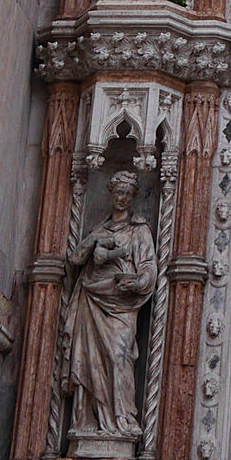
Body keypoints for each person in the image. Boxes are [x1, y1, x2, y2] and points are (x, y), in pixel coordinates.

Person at [65, 171, 157, 442]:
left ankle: (123, 418)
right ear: (110, 193)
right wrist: (94, 240)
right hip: (92, 298)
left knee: (119, 356)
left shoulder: (139, 231)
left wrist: (137, 281)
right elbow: (75, 259)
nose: (121, 197)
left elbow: (149, 267)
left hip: (122, 303)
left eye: (127, 193)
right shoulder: (100, 230)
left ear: (133, 197)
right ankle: (88, 420)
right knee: (90, 359)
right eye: (118, 192)